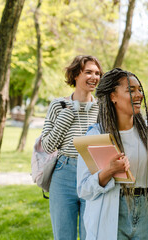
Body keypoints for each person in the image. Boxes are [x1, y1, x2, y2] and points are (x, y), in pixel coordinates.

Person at [77, 68, 148, 240]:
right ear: (112, 97)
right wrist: (108, 171)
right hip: (112, 211)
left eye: (139, 89)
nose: (139, 95)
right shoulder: (96, 135)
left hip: (146, 210)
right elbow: (84, 189)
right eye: (131, 90)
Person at [41, 55, 103, 240]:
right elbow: (47, 146)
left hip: (92, 173)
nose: (94, 77)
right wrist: (66, 117)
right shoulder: (58, 105)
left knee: (90, 234)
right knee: (63, 235)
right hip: (64, 172)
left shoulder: (103, 107)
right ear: (76, 74)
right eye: (89, 72)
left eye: (97, 73)